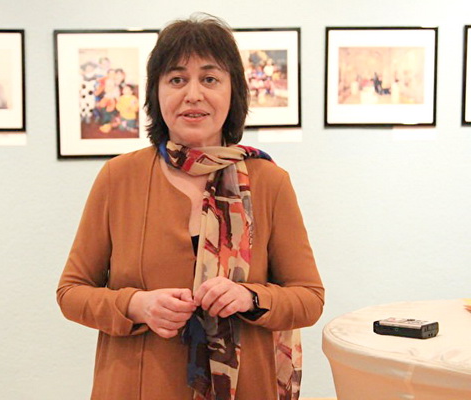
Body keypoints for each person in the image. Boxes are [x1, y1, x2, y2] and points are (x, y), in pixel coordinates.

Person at [57, 14, 324, 400]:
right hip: (137, 387)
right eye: (177, 79)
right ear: (156, 93)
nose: (193, 94)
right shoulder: (119, 177)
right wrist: (137, 304)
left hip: (244, 388)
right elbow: (71, 292)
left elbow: (309, 297)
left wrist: (251, 298)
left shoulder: (269, 181)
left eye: (210, 79)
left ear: (233, 92)